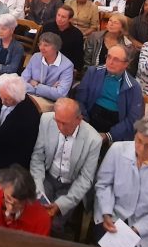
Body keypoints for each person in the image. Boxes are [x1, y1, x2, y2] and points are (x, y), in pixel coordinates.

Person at [90, 117, 148, 247]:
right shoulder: (117, 150)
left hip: (142, 230)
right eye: (139, 141)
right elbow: (104, 184)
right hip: (111, 215)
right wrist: (106, 213)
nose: (141, 148)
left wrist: (136, 229)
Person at [29, 98, 101, 238]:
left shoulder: (93, 140)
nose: (60, 128)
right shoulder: (46, 120)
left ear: (78, 120)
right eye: (58, 121)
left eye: (65, 124)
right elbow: (38, 157)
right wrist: (38, 188)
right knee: (35, 214)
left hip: (71, 185)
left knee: (55, 224)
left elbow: (85, 179)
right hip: (47, 177)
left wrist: (61, 205)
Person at [72, 44, 143, 146]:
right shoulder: (93, 72)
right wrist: (85, 124)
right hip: (89, 118)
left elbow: (133, 119)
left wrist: (108, 135)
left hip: (114, 126)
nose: (110, 62)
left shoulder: (133, 86)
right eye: (109, 57)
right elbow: (80, 100)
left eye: (116, 60)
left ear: (126, 64)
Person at [0, 164, 51, 237]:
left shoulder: (41, 220)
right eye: (8, 199)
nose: (10, 208)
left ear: (28, 201)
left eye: (18, 205)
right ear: (2, 186)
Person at [22, 32, 75, 105]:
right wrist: (50, 89)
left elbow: (60, 94)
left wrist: (36, 85)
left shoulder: (67, 66)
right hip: (30, 96)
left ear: (56, 47)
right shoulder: (36, 56)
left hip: (52, 102)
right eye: (40, 44)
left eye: (46, 45)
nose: (41, 48)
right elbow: (23, 80)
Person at [41, 5, 84, 70]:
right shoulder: (47, 27)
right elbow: (40, 47)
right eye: (58, 15)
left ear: (70, 19)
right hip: (45, 62)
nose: (59, 19)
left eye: (63, 17)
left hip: (64, 66)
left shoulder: (77, 34)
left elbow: (78, 56)